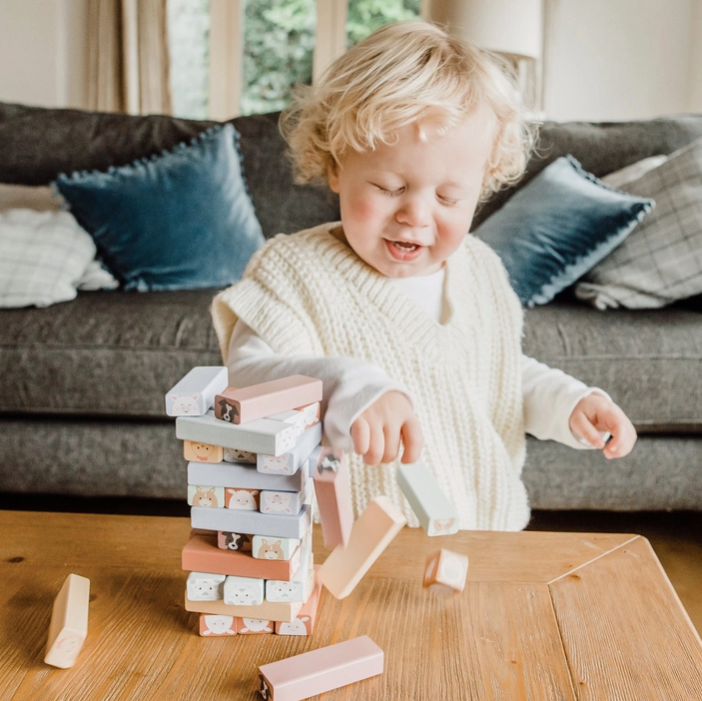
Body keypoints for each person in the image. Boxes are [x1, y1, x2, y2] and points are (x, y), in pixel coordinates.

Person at [211, 21, 637, 531]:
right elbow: (246, 378)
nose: (416, 215)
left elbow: (497, 374)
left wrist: (569, 403)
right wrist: (348, 386)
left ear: (481, 187)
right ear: (335, 166)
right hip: (352, 546)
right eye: (390, 187)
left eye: (448, 197)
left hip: (486, 533)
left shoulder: (480, 270)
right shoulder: (293, 273)